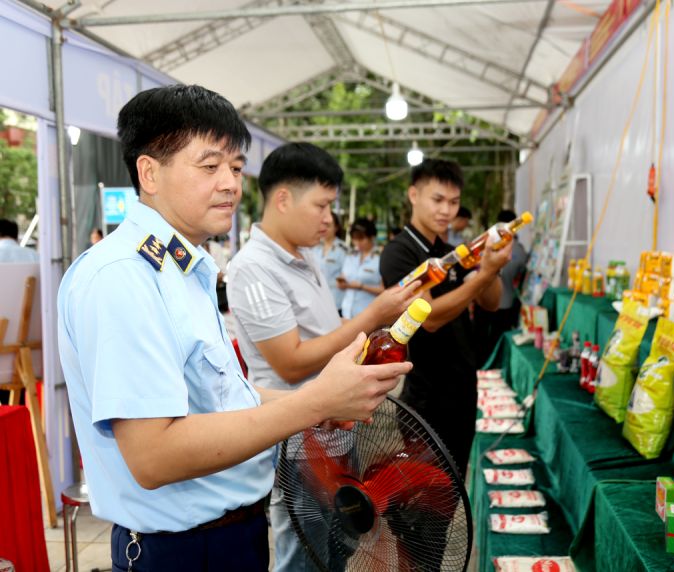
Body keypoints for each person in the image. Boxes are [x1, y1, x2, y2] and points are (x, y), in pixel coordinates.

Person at [57, 85, 411, 572]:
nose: (230, 184)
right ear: (149, 172)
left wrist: (323, 403)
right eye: (209, 166)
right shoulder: (122, 276)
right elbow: (154, 454)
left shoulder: (183, 269)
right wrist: (314, 402)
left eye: (237, 167)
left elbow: (225, 397)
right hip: (179, 552)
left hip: (230, 537)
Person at [225, 142, 418, 572]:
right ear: (283, 198)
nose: (329, 219)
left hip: (335, 430)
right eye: (322, 205)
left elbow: (329, 340)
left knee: (336, 546)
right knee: (302, 555)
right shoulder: (253, 268)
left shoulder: (306, 256)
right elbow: (290, 362)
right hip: (296, 443)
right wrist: (371, 316)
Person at [379, 159, 511, 477]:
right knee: (425, 501)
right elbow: (430, 318)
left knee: (452, 492)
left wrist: (489, 266)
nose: (446, 211)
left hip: (464, 390)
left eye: (453, 202)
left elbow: (492, 303)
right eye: (437, 200)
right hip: (427, 399)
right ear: (413, 195)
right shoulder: (399, 253)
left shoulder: (454, 251)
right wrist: (484, 274)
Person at [473, 209, 529, 365]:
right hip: (507, 302)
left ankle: (481, 365)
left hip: (483, 300)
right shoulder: (520, 250)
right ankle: (496, 365)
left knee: (481, 336)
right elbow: (521, 276)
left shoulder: (487, 244)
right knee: (499, 339)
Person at [338, 218, 383, 319]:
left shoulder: (380, 258)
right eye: (354, 239)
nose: (357, 242)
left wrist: (362, 286)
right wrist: (342, 283)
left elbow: (384, 290)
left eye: (361, 238)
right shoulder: (350, 256)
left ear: (371, 237)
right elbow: (344, 275)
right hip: (346, 313)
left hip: (368, 316)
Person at [311, 212, 348, 314]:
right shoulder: (314, 247)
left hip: (335, 301)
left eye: (328, 225)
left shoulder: (343, 249)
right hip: (316, 300)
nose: (324, 228)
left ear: (336, 227)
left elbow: (347, 275)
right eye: (322, 225)